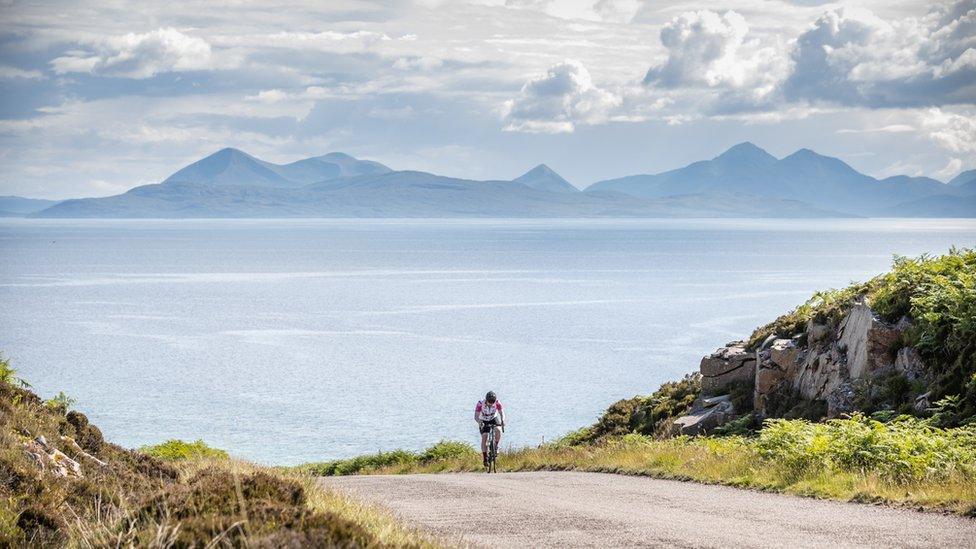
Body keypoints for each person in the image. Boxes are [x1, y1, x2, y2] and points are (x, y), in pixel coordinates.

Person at [475, 391, 504, 466]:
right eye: (489, 402)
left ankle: (495, 446)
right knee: (485, 436)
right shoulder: (480, 403)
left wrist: (503, 420)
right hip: (483, 420)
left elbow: (502, 413)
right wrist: (480, 422)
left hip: (493, 418)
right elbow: (476, 416)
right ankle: (485, 458)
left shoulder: (497, 403)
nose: (491, 404)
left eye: (492, 402)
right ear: (486, 400)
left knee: (498, 430)